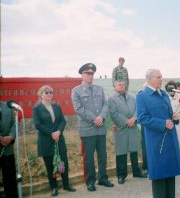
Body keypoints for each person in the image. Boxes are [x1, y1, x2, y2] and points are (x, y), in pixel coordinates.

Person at [136, 69, 180, 198]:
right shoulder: (142, 96)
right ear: (149, 79)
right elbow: (142, 118)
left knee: (170, 176)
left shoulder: (164, 94)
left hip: (170, 141)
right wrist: (162, 123)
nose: (161, 79)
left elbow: (168, 116)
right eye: (158, 77)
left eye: (161, 77)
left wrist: (174, 118)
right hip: (156, 143)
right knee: (160, 177)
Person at [71, 63, 114, 192]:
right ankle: (90, 181)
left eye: (92, 74)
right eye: (87, 74)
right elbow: (79, 109)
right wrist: (94, 119)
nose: (90, 76)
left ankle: (103, 178)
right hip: (87, 129)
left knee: (103, 155)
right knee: (89, 157)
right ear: (82, 75)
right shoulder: (76, 91)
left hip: (100, 128)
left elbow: (105, 105)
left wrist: (101, 116)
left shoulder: (99, 89)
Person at [32, 86, 76, 197]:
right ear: (41, 94)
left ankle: (66, 185)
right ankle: (54, 187)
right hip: (46, 141)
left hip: (59, 140)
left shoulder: (56, 106)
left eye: (51, 92)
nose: (49, 94)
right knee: (51, 166)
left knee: (62, 164)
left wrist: (58, 132)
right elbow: (37, 124)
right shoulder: (37, 108)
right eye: (46, 92)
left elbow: (62, 120)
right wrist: (51, 133)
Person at [108, 80, 147, 185]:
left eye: (123, 85)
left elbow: (138, 109)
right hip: (121, 128)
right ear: (115, 87)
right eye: (119, 85)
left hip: (133, 127)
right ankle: (121, 175)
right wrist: (126, 121)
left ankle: (136, 171)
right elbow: (114, 114)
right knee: (121, 152)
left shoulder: (132, 97)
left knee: (134, 150)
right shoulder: (111, 99)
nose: (121, 86)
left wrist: (134, 119)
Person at [0, 101, 18, 198]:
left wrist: (11, 137)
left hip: (8, 149)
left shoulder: (8, 106)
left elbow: (15, 124)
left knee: (10, 178)